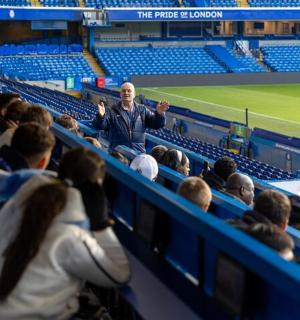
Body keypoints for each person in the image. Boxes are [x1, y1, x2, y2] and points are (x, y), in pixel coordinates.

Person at [0, 147, 130, 319]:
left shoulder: (20, 200)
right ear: (95, 191)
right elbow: (120, 275)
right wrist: (100, 224)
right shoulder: (73, 235)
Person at [92, 82, 169, 152]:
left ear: (134, 94)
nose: (126, 93)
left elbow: (156, 124)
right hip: (118, 154)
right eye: (124, 91)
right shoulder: (112, 110)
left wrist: (159, 114)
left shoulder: (142, 110)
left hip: (138, 153)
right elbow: (100, 126)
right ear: (120, 94)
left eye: (129, 91)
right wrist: (101, 116)